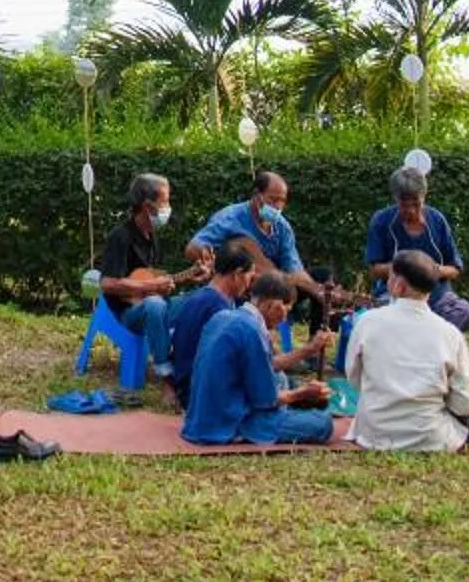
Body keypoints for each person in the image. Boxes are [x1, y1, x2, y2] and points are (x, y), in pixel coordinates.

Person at [347, 252, 469, 452]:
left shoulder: (366, 322)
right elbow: (464, 405)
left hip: (374, 432)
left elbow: (354, 379)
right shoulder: (449, 333)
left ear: (397, 285)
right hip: (430, 435)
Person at [179, 268, 337, 447]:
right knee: (323, 424)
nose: (284, 317)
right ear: (274, 305)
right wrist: (302, 394)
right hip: (230, 421)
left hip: (200, 418)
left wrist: (308, 351)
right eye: (287, 309)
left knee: (281, 378)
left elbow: (264, 366)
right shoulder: (252, 329)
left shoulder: (224, 316)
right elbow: (265, 400)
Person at [93, 173, 209, 381]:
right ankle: (167, 377)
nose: (168, 207)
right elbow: (107, 283)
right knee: (155, 305)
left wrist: (191, 275)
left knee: (206, 297)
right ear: (148, 207)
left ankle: (196, 362)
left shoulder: (152, 237)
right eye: (164, 201)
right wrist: (152, 285)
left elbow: (153, 279)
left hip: (155, 305)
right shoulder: (120, 236)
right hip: (129, 313)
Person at [189, 169, 332, 312]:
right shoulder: (230, 218)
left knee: (323, 275)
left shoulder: (282, 227)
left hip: (274, 288)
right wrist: (216, 262)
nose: (278, 206)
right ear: (257, 195)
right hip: (238, 290)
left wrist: (318, 291)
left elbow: (294, 270)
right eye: (273, 199)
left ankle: (321, 332)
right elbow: (193, 247)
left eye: (282, 201)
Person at [362, 166, 469, 330]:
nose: (411, 210)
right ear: (395, 199)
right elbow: (374, 269)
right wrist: (408, 269)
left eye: (416, 204)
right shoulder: (381, 221)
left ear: (424, 196)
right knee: (382, 317)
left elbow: (455, 269)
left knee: (462, 310)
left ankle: (428, 350)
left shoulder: (437, 220)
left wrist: (433, 270)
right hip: (394, 295)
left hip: (436, 295)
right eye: (404, 205)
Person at [164, 238, 261, 407]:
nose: (249, 284)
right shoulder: (218, 308)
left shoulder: (201, 298)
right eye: (249, 277)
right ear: (237, 274)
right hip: (200, 392)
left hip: (189, 385)